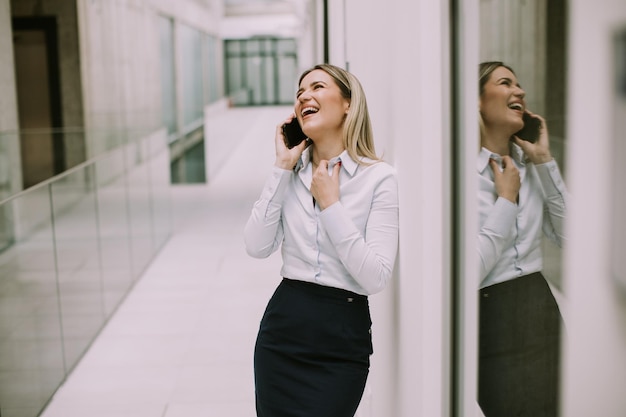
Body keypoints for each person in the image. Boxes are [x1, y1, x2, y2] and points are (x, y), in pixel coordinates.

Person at [244, 63, 399, 417]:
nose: (304, 96)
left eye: (316, 87)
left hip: (341, 338)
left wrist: (331, 205)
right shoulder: (291, 175)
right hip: (283, 332)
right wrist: (282, 167)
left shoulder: (379, 179)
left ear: (348, 103)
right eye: (299, 92)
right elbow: (256, 245)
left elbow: (375, 277)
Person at [477, 61, 567, 417]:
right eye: (505, 83)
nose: (520, 91)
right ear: (477, 101)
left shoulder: (530, 167)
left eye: (519, 84)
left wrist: (544, 160)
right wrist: (506, 201)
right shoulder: (457, 174)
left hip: (539, 308)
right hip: (489, 318)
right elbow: (469, 271)